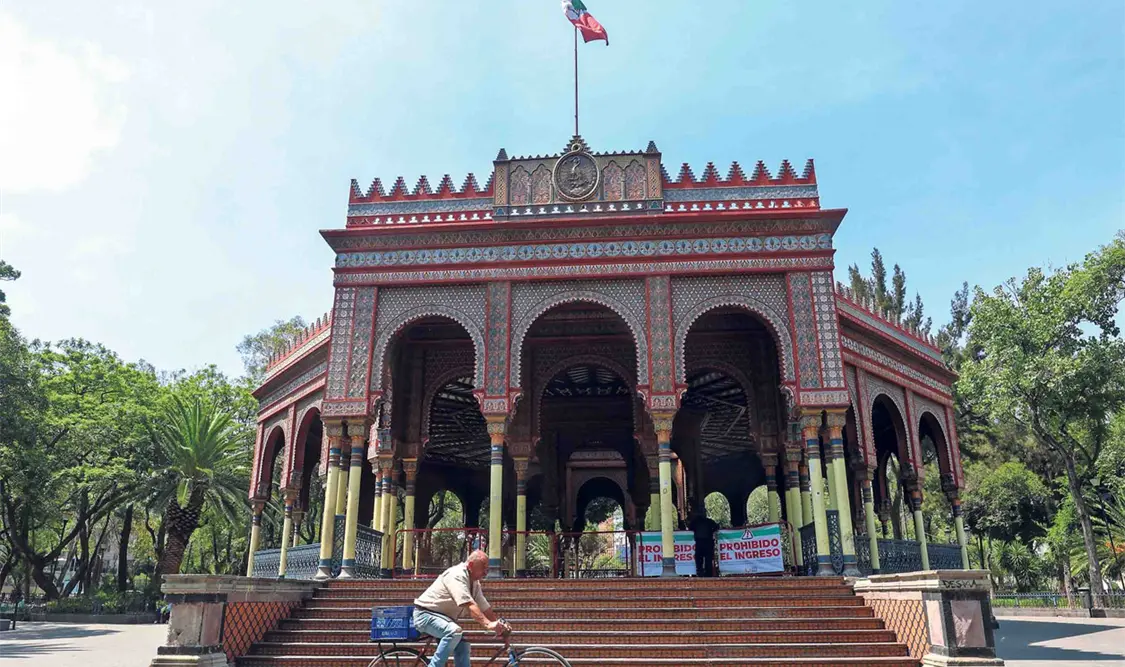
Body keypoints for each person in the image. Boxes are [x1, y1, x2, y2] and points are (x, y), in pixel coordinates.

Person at [412, 550, 510, 667]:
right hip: (425, 615)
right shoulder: (456, 575)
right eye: (483, 568)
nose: (485, 573)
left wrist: (497, 624)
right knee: (454, 632)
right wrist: (488, 624)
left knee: (463, 646)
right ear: (471, 565)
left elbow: (484, 607)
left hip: (444, 619)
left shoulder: (474, 582)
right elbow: (468, 604)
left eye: (487, 569)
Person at [688, 509, 719, 577]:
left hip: (701, 542)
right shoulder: (708, 521)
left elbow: (690, 528)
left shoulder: (696, 522)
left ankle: (701, 572)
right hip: (706, 542)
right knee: (706, 559)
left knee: (700, 558)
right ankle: (707, 573)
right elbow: (717, 527)